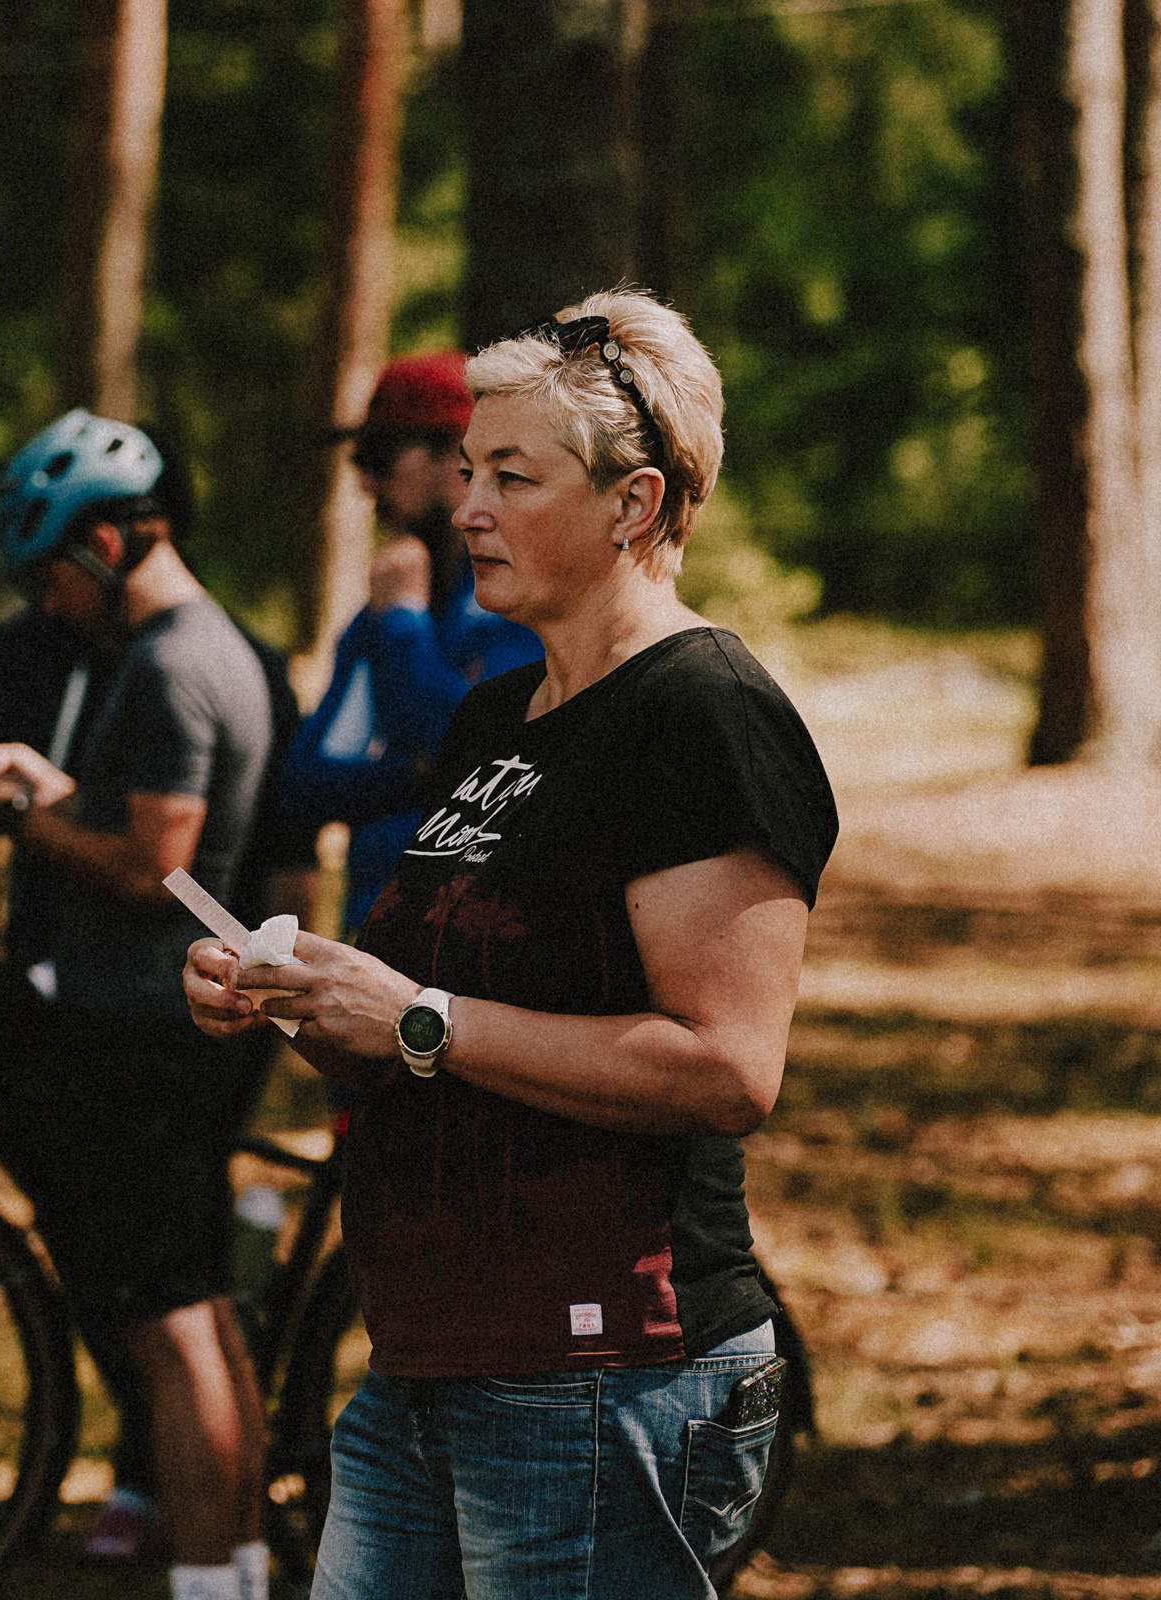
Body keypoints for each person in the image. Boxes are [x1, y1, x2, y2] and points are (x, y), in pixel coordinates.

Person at [185, 289, 838, 1598]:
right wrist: (307, 1001)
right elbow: (432, 1034)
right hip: (431, 1348)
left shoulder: (700, 719)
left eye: (511, 477)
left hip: (606, 1368)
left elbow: (726, 1068)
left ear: (634, 504)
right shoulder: (495, 716)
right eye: (468, 471)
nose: (464, 507)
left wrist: (419, 1018)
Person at [0, 410, 275, 1600]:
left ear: (104, 541)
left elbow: (153, 865)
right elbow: (162, 845)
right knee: (204, 1318)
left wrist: (10, 812)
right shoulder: (201, 649)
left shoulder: (175, 663)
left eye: (50, 569)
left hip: (137, 1035)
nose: (46, 600)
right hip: (158, 1024)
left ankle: (205, 1582)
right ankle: (232, 1570)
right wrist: (62, 791)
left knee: (171, 1325)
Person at [279, 352, 541, 934]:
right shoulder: (378, 616)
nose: (364, 482)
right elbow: (304, 781)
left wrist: (403, 625)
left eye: (379, 456)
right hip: (375, 933)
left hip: (479, 949)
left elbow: (483, 756)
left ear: (458, 453)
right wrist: (417, 775)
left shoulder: (527, 606)